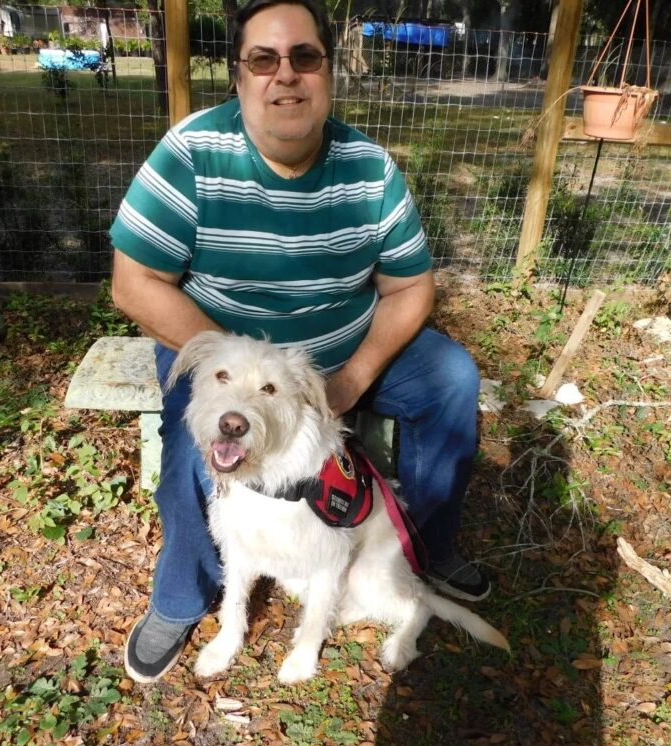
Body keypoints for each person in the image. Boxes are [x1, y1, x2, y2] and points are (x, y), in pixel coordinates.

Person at [110, 0, 489, 684]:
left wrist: (351, 381)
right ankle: (182, 592)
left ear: (328, 69)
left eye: (303, 57)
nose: (285, 76)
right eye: (263, 59)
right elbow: (134, 281)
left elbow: (411, 287)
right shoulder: (191, 154)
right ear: (238, 75)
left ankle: (419, 549)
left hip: (335, 354)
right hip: (218, 348)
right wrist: (232, 368)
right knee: (199, 443)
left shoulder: (369, 169)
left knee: (453, 380)